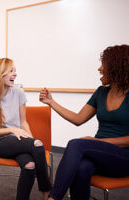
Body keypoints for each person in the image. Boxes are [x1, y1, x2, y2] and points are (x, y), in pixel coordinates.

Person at [39, 45, 129, 200]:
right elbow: (78, 119)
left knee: (77, 143)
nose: (99, 68)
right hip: (101, 154)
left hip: (124, 158)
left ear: (117, 66)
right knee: (81, 168)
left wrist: (98, 142)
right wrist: (51, 102)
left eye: (104, 64)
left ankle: (53, 198)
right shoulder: (101, 92)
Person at [0, 58, 51, 200]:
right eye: (11, 71)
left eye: (15, 70)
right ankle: (47, 194)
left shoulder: (19, 93)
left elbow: (23, 122)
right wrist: (11, 129)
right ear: (0, 74)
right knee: (38, 146)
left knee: (29, 165)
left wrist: (30, 139)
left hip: (18, 139)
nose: (15, 74)